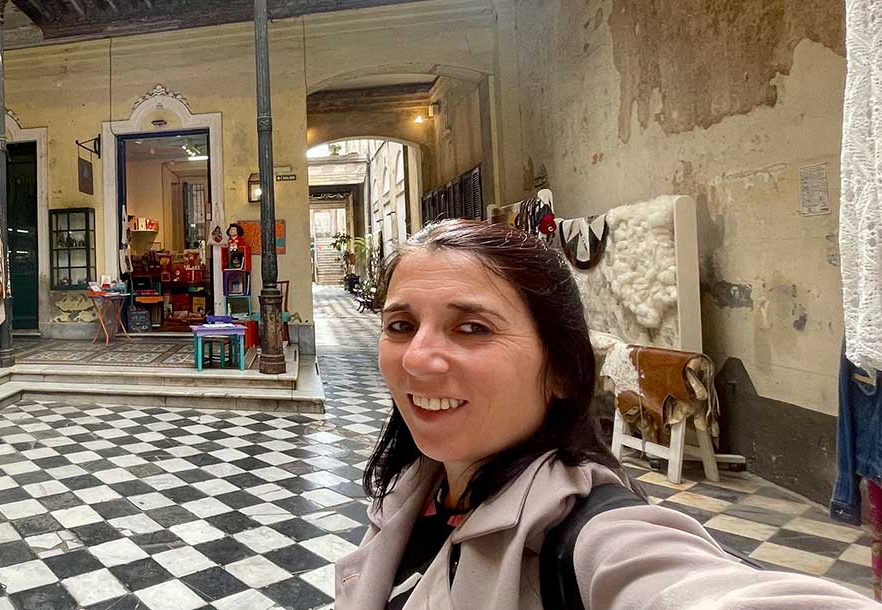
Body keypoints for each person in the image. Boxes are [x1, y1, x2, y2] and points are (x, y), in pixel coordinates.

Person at [335, 219, 877, 610]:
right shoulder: (413, 490)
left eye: (473, 328)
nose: (417, 359)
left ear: (562, 370)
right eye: (401, 325)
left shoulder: (588, 536)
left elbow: (684, 586)